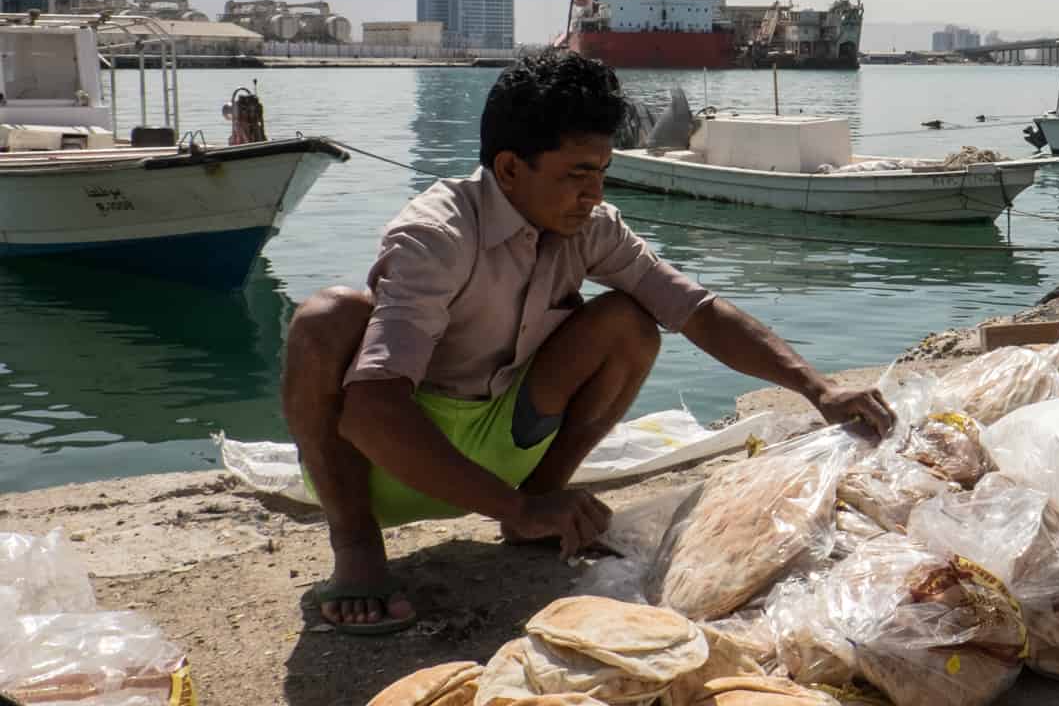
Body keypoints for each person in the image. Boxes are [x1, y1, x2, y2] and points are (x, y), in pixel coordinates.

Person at [281, 50, 896, 634]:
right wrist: (509, 507)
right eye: (577, 175)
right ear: (510, 169)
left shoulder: (592, 228)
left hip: (507, 447)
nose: (595, 193)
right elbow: (370, 412)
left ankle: (541, 499)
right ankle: (357, 546)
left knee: (629, 320)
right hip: (395, 461)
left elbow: (697, 310)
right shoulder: (435, 234)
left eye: (602, 172)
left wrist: (818, 389)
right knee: (326, 319)